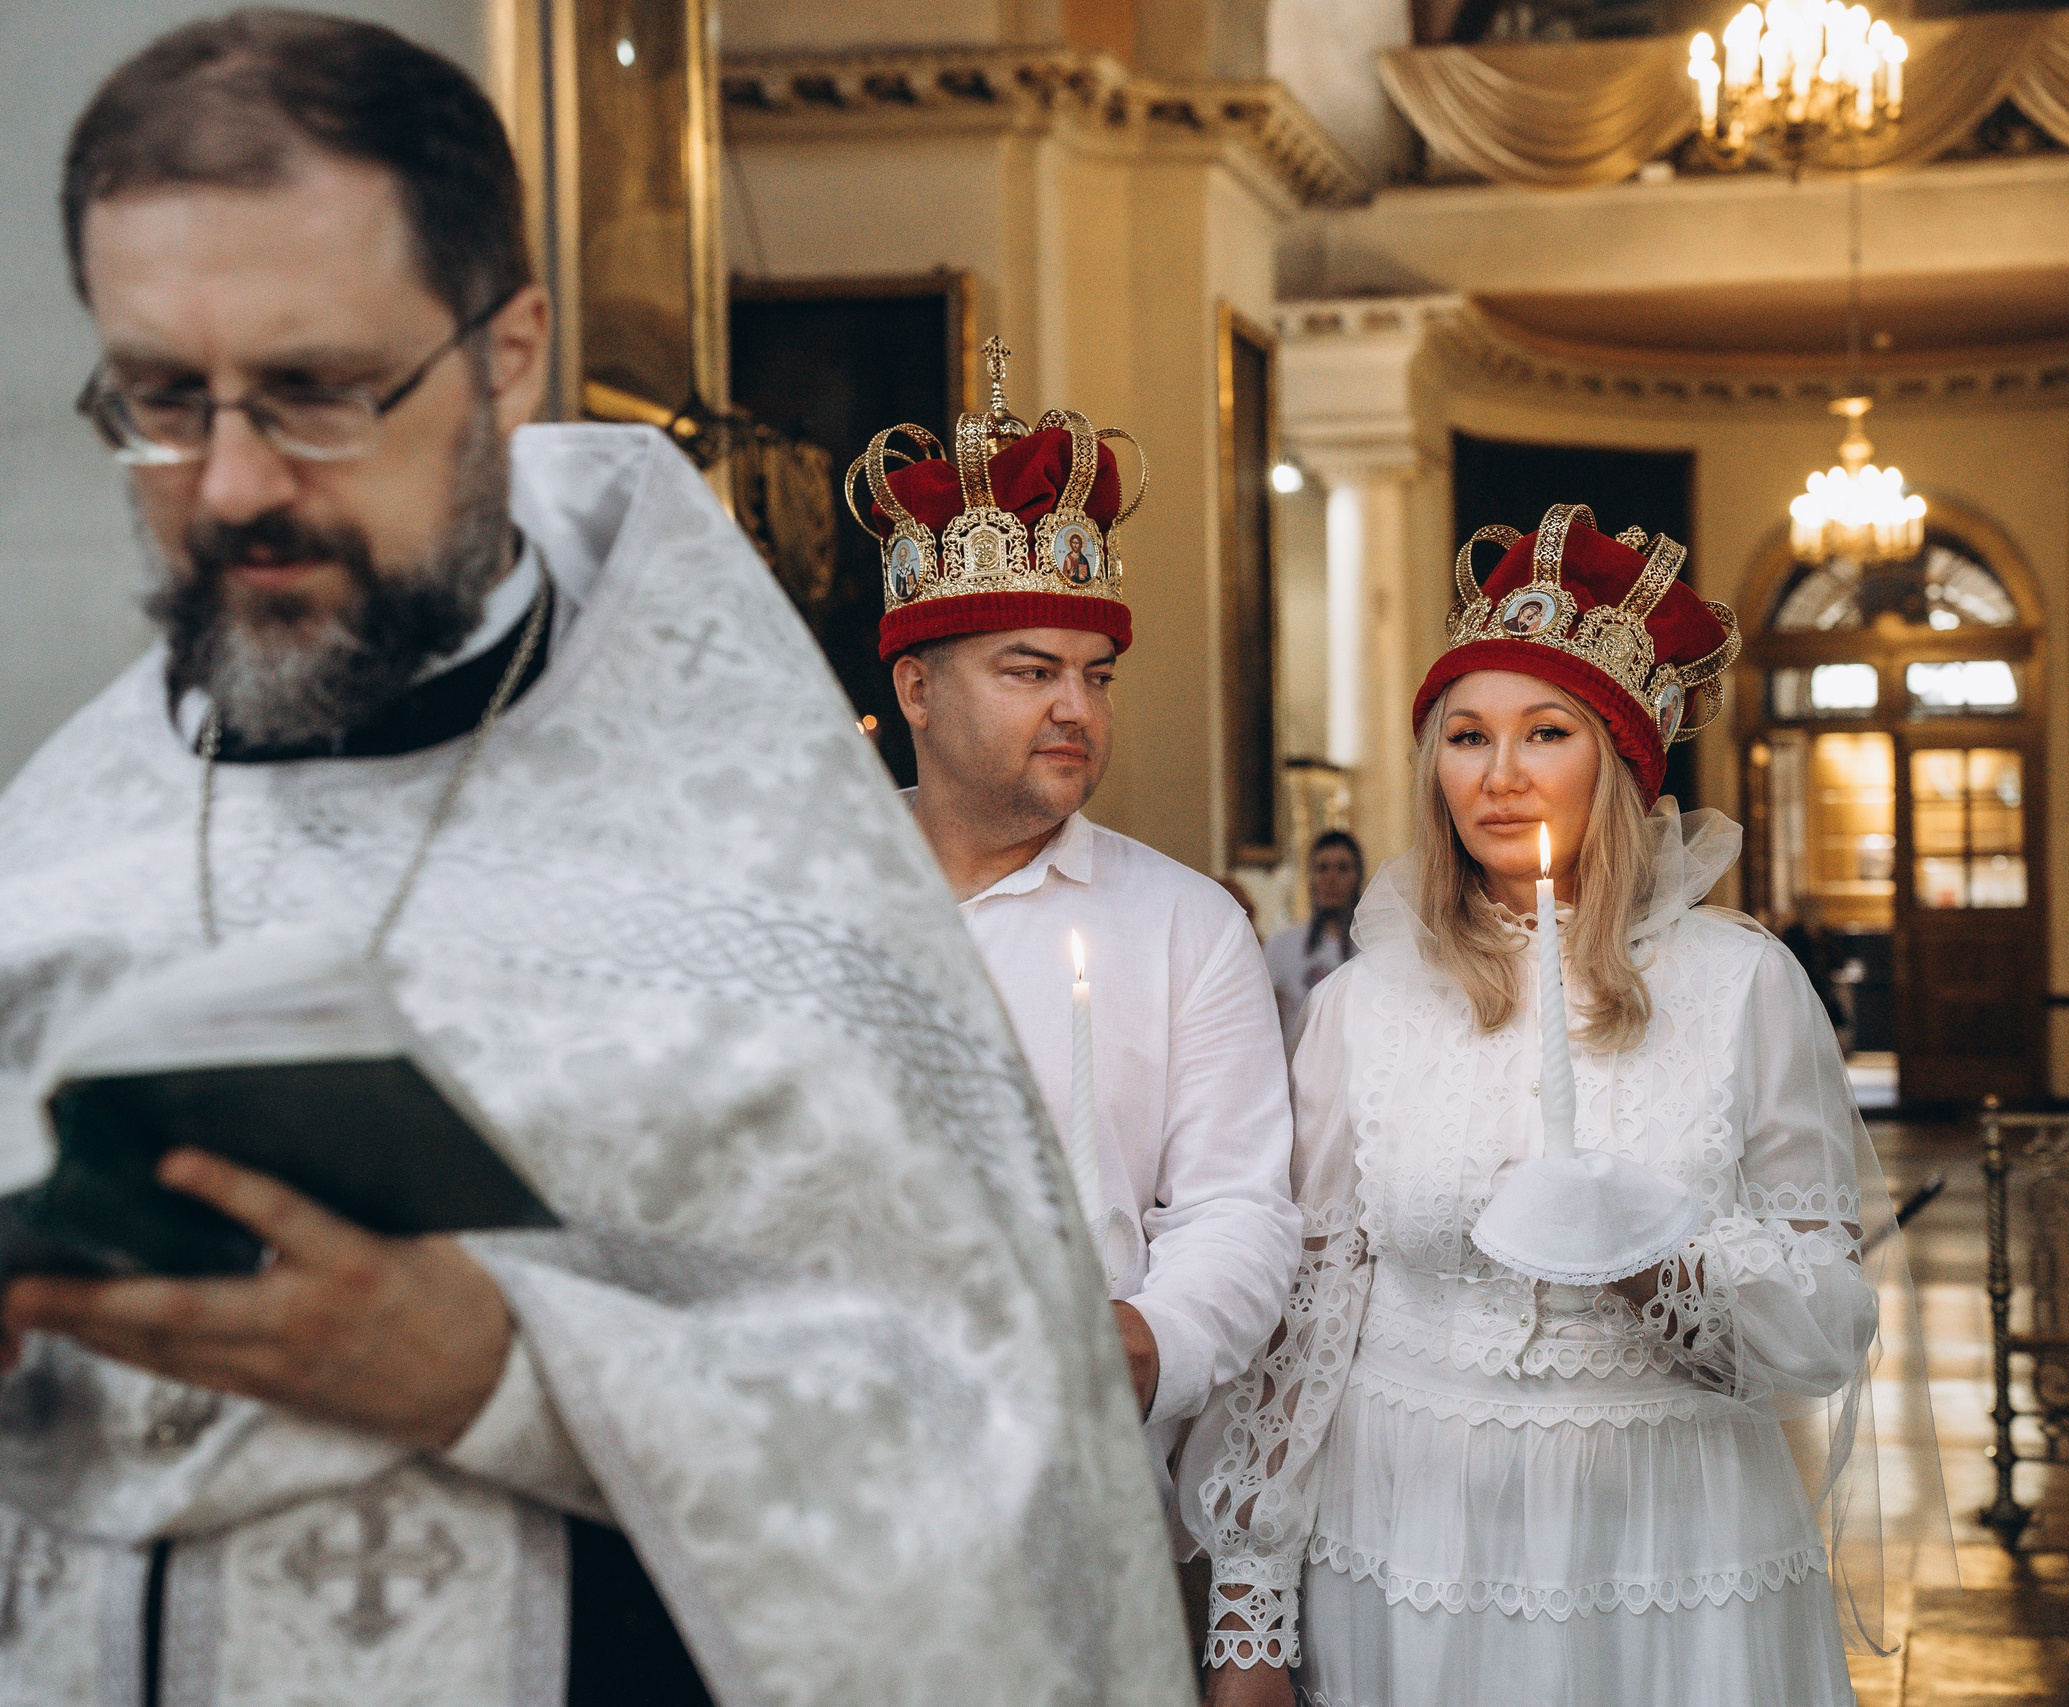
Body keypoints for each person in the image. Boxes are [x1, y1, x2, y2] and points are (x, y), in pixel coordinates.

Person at [0, 16, 1191, 1706]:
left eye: (319, 392)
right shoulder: (57, 852)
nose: (234, 483)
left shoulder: (773, 875)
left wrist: (513, 1372)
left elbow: (1013, 1492)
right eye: (163, 401)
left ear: (509, 355)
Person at [1182, 504, 1937, 1706]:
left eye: (1546, 733)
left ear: (1621, 765)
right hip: (1410, 1541)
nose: (1499, 775)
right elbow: (1300, 1333)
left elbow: (1824, 1326)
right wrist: (1249, 1622)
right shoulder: (1362, 1007)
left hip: (1672, 1543)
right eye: (1465, 737)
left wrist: (1651, 1255)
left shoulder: (1741, 987)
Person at [861, 345, 1300, 1507]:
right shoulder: (797, 896)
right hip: (820, 1469)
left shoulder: (1184, 927)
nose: (1076, 708)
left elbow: (1237, 1206)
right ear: (916, 688)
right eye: (1029, 671)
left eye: (1097, 675)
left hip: (1076, 1482)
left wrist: (1154, 1340)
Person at [1265, 829, 1364, 1055]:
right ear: (1310, 876)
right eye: (1322, 868)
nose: (1331, 878)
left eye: (1342, 868)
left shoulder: (1373, 947)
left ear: (1357, 876)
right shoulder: (1281, 945)